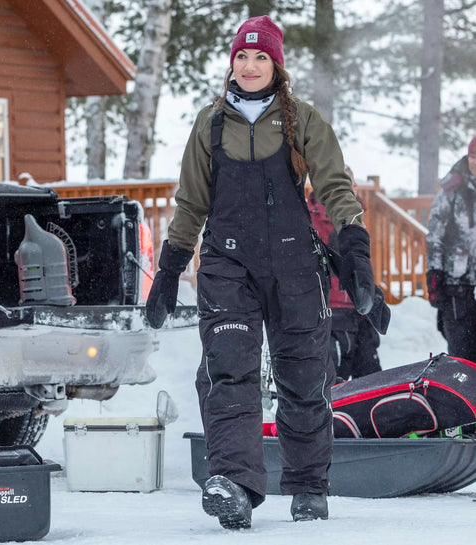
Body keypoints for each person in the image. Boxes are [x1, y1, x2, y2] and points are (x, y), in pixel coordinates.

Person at [145, 15, 377, 529]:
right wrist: (169, 271)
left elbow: (336, 187)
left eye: (261, 57)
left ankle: (308, 485)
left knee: (304, 379)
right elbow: (190, 206)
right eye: (242, 57)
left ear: (277, 65)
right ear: (232, 62)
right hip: (228, 265)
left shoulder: (302, 122)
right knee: (228, 372)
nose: (249, 66)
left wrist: (355, 251)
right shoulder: (210, 125)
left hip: (296, 267)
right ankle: (234, 484)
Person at [307, 166, 382, 382]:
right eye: (346, 182)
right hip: (328, 310)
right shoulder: (309, 216)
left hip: (360, 310)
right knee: (334, 384)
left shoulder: (358, 216)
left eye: (352, 183)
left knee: (370, 383)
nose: (352, 188)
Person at [426, 135, 476, 363]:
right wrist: (434, 275)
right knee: (462, 356)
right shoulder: (451, 191)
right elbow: (435, 237)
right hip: (458, 286)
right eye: (473, 156)